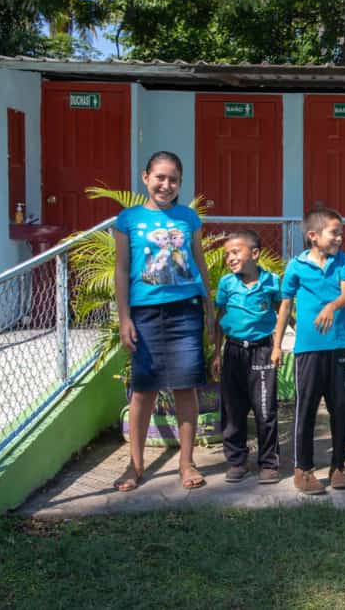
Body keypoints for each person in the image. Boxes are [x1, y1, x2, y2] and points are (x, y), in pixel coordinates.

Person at [113, 150, 215, 492]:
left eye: (173, 179)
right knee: (144, 388)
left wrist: (210, 308)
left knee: (186, 385)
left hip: (185, 310)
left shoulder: (189, 218)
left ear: (180, 183)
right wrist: (124, 317)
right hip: (144, 314)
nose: (166, 184)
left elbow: (199, 263)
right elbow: (122, 269)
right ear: (145, 177)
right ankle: (135, 464)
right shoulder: (127, 219)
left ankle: (186, 463)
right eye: (160, 177)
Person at [272, 207, 345, 495]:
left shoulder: (342, 260)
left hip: (341, 344)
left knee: (341, 407)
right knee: (306, 409)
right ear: (313, 236)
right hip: (309, 348)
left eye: (341, 233)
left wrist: (331, 306)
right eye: (334, 232)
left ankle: (338, 467)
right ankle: (304, 469)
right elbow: (285, 306)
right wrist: (277, 345)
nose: (339, 238)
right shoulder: (296, 267)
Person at [212, 230, 282, 485]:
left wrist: (281, 344)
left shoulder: (272, 281)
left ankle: (268, 463)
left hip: (262, 350)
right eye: (226, 254)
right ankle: (237, 461)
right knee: (232, 409)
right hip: (233, 351)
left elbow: (281, 311)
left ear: (254, 254)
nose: (229, 258)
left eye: (235, 252)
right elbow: (219, 319)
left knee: (265, 409)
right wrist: (217, 353)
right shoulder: (226, 284)